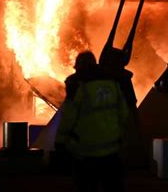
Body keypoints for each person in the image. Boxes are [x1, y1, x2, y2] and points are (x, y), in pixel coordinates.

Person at [55, 51, 128, 192]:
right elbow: (124, 113)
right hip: (112, 151)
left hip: (87, 153)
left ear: (80, 67)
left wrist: (60, 141)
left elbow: (68, 117)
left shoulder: (78, 86)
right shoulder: (112, 83)